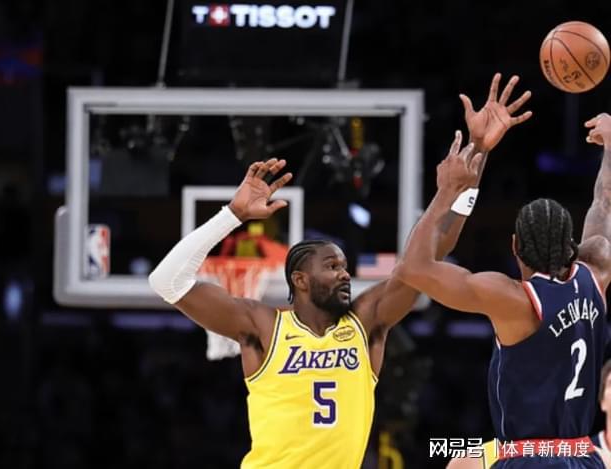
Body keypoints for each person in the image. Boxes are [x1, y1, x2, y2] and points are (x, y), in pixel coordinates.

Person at [148, 74, 531, 468]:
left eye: (345, 267)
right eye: (332, 267)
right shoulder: (263, 326)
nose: (345, 275)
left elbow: (429, 257)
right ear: (300, 279)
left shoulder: (366, 322)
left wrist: (478, 152)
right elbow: (166, 281)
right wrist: (232, 214)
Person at [400, 111, 611, 467]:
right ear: (571, 245)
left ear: (514, 246)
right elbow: (604, 202)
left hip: (528, 458)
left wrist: (449, 188)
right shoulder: (596, 273)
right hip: (581, 455)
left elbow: (413, 268)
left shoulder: (513, 300)